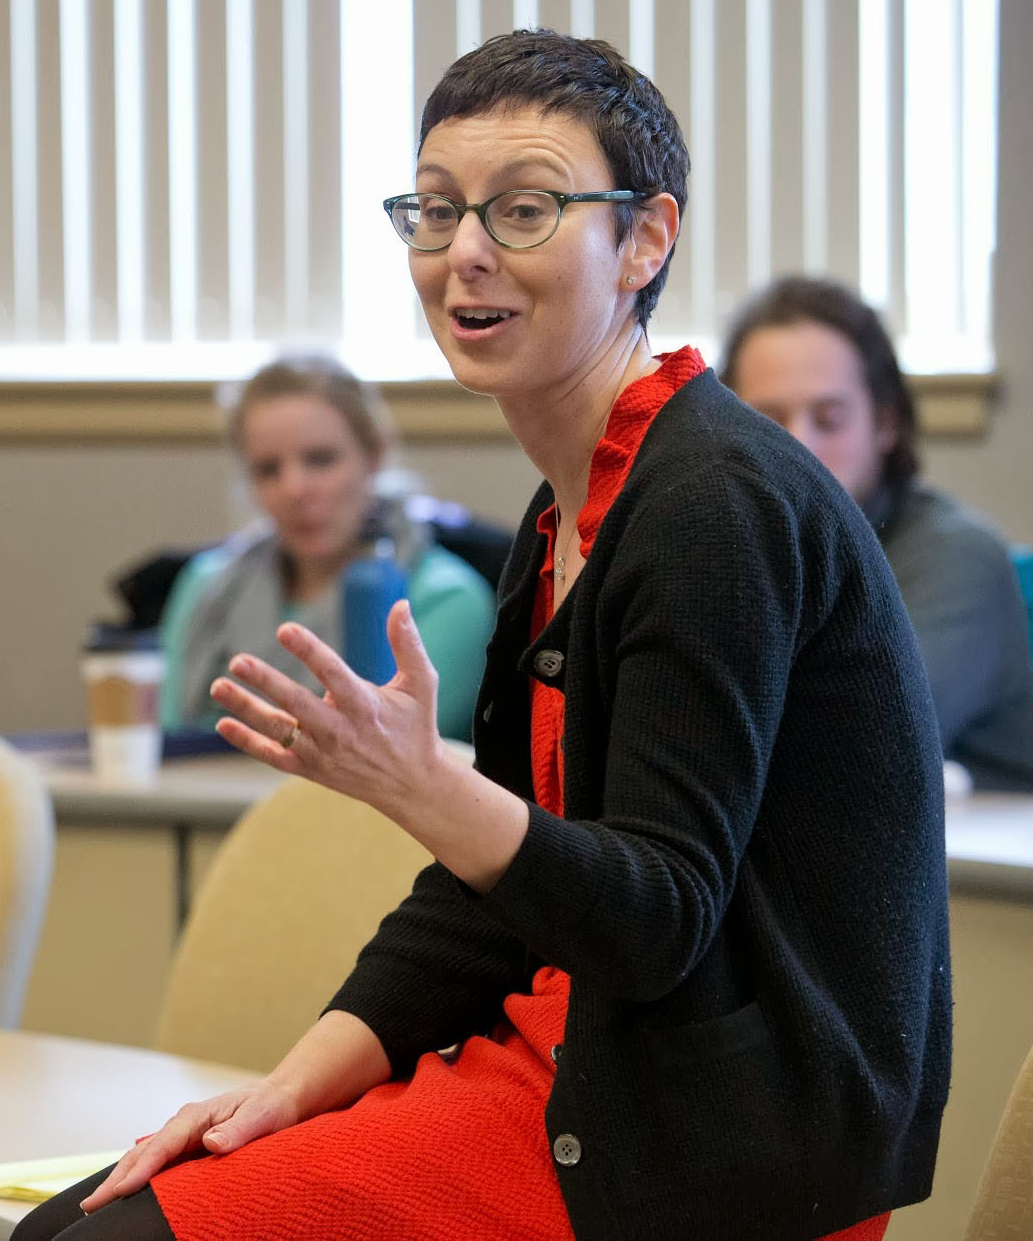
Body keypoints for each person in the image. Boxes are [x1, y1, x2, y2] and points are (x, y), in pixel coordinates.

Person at [16, 30, 950, 1241]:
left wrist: (418, 785)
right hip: (578, 1067)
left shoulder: (712, 502)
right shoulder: (573, 506)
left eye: (522, 211)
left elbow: (658, 917)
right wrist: (284, 1093)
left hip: (694, 1136)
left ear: (645, 240)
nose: (463, 255)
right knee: (79, 1218)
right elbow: (493, 901)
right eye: (436, 211)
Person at [721, 275, 1033, 791]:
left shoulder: (957, 556)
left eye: (830, 417)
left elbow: (869, 745)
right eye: (767, 420)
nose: (799, 448)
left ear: (885, 423)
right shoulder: (737, 547)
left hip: (990, 860)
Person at [157, 354, 497, 743]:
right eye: (268, 469)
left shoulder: (445, 597)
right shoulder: (206, 584)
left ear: (374, 455)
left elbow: (385, 749)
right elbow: (165, 736)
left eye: (320, 460)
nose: (294, 489)